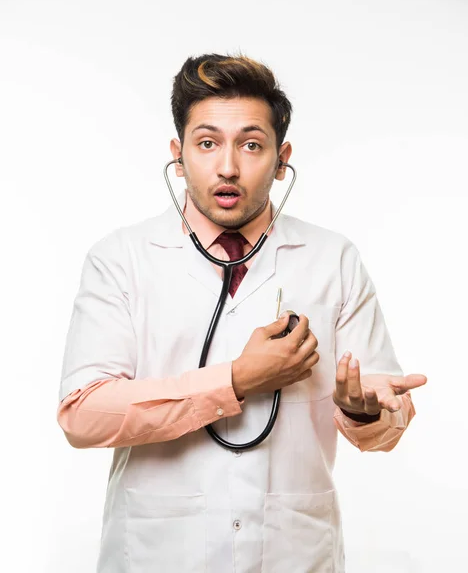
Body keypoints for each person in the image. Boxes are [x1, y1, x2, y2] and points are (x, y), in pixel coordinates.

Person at [57, 52, 427, 573]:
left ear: (281, 160)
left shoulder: (332, 259)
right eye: (207, 143)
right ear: (178, 155)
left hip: (292, 553)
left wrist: (365, 410)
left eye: (251, 145)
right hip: (158, 554)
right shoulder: (122, 259)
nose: (227, 166)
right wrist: (235, 379)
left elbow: (384, 419)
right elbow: (82, 415)